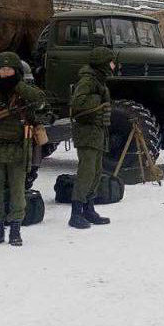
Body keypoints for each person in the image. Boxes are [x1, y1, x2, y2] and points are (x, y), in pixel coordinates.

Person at [0, 52, 48, 245]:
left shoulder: (24, 91)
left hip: (18, 150)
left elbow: (40, 101)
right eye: (2, 70)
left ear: (16, 71)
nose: (5, 73)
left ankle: (15, 229)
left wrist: (17, 85)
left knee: (17, 192)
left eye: (9, 70)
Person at [68, 46, 117, 228]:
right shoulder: (88, 81)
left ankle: (89, 208)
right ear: (102, 64)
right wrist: (99, 100)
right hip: (87, 132)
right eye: (110, 62)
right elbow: (77, 102)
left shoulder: (98, 80)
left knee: (96, 173)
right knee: (86, 173)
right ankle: (76, 213)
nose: (113, 66)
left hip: (97, 131)